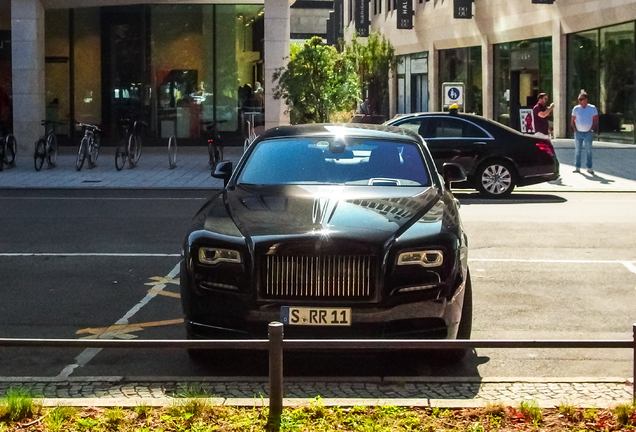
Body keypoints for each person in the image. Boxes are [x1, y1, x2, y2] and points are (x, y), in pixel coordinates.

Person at [571, 92, 598, 175]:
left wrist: (592, 129)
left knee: (588, 150)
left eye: (581, 99)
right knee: (578, 150)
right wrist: (575, 129)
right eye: (579, 99)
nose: (579, 101)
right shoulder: (576, 108)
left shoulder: (592, 108)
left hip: (588, 133)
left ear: (585, 100)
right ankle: (577, 167)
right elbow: (572, 120)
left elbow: (595, 119)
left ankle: (589, 167)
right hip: (578, 132)